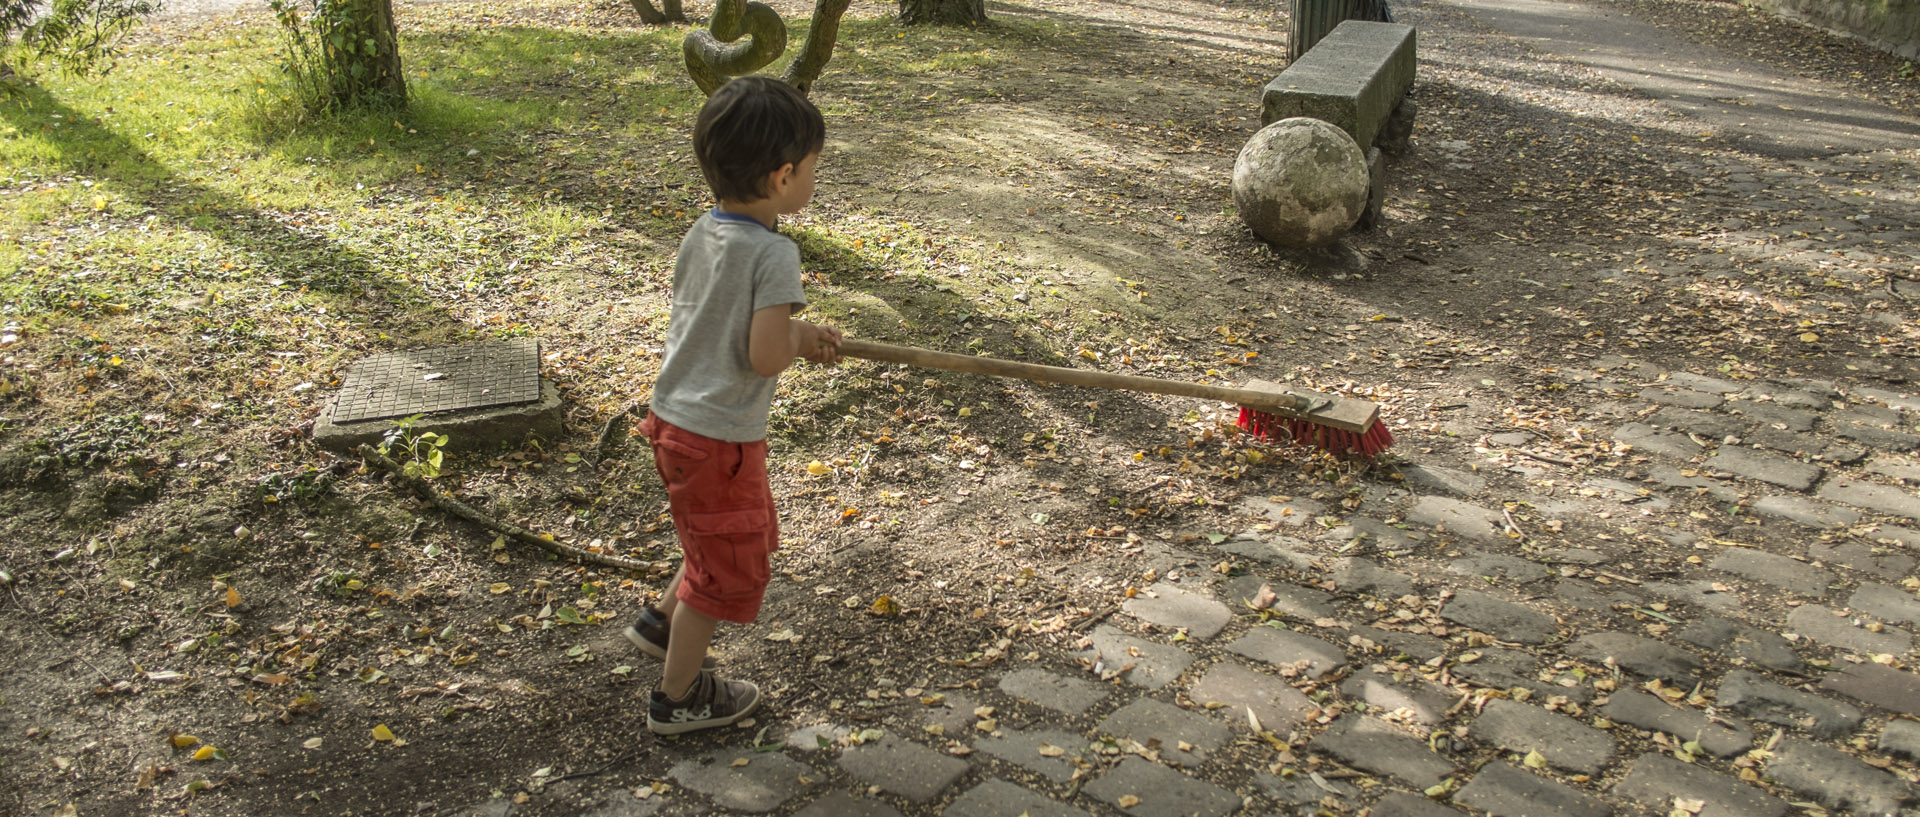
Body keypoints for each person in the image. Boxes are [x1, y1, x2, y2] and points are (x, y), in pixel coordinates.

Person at [624, 76, 842, 735]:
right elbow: (766, 354)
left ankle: (660, 625)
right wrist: (799, 339)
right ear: (782, 176)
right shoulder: (774, 253)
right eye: (812, 168)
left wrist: (799, 332)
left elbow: (724, 323)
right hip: (718, 439)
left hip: (674, 420)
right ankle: (679, 697)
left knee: (712, 536)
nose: (813, 179)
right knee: (723, 570)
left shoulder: (705, 230)